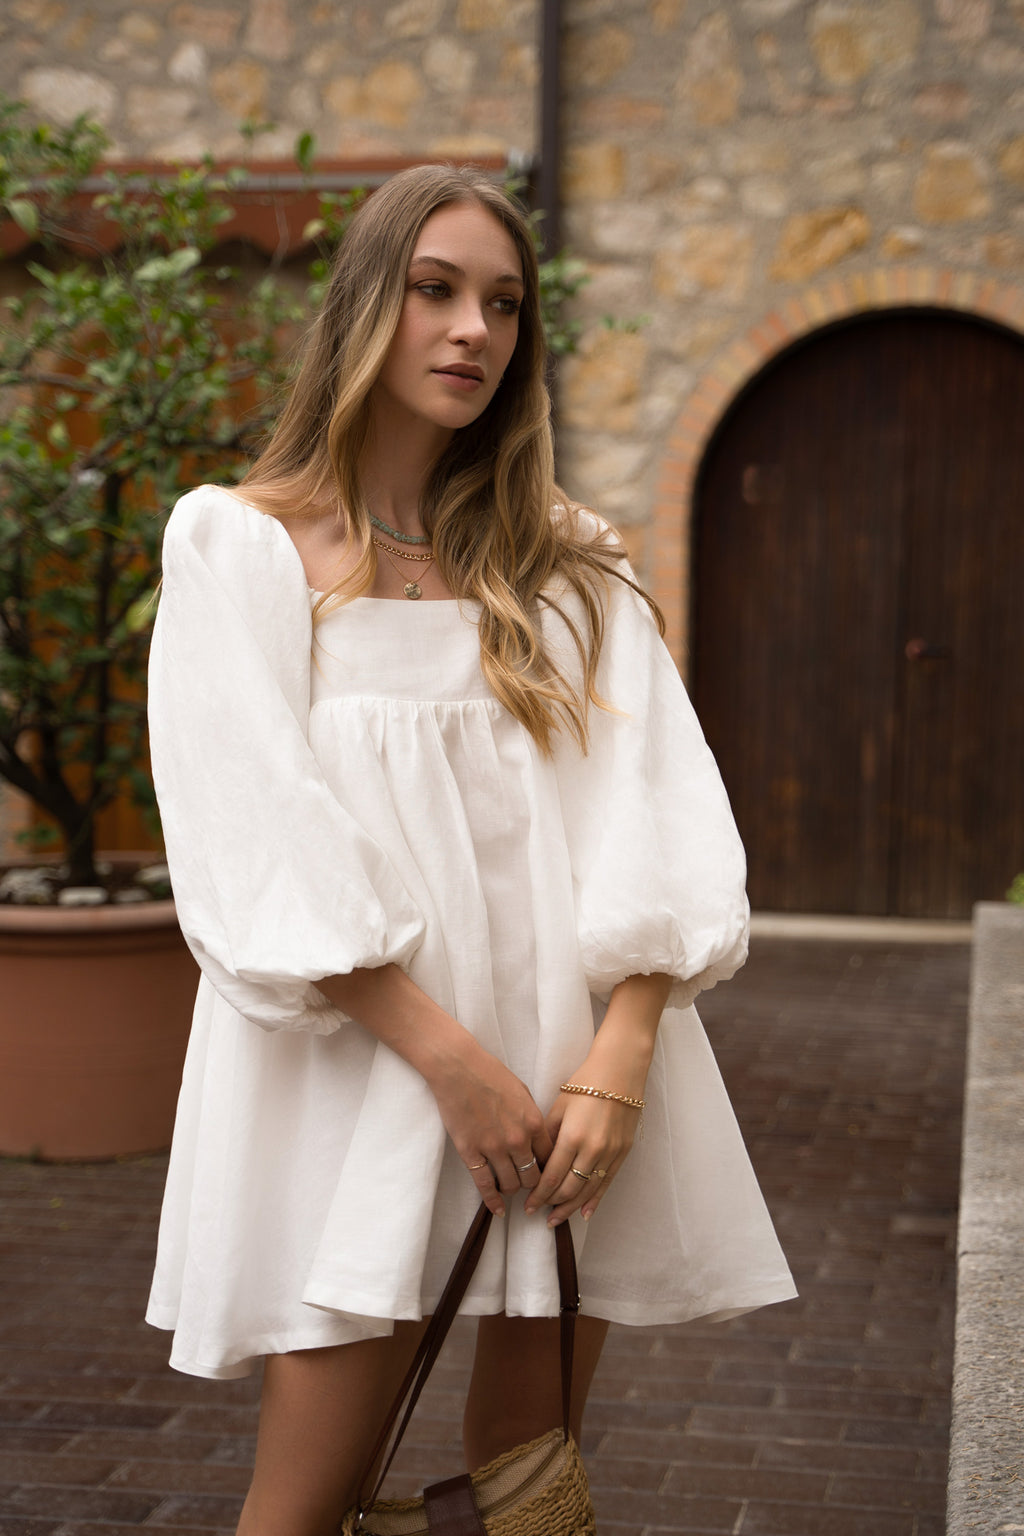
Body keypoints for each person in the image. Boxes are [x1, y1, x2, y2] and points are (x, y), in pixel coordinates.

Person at [146, 164, 795, 1536]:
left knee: (527, 1485)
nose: (471, 332)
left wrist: (621, 1055)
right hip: (362, 1072)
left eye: (503, 304)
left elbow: (654, 801)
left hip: (571, 1080)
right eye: (434, 290)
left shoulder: (563, 561)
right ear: (365, 304)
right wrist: (449, 1064)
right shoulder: (241, 549)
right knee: (304, 1500)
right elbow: (251, 843)